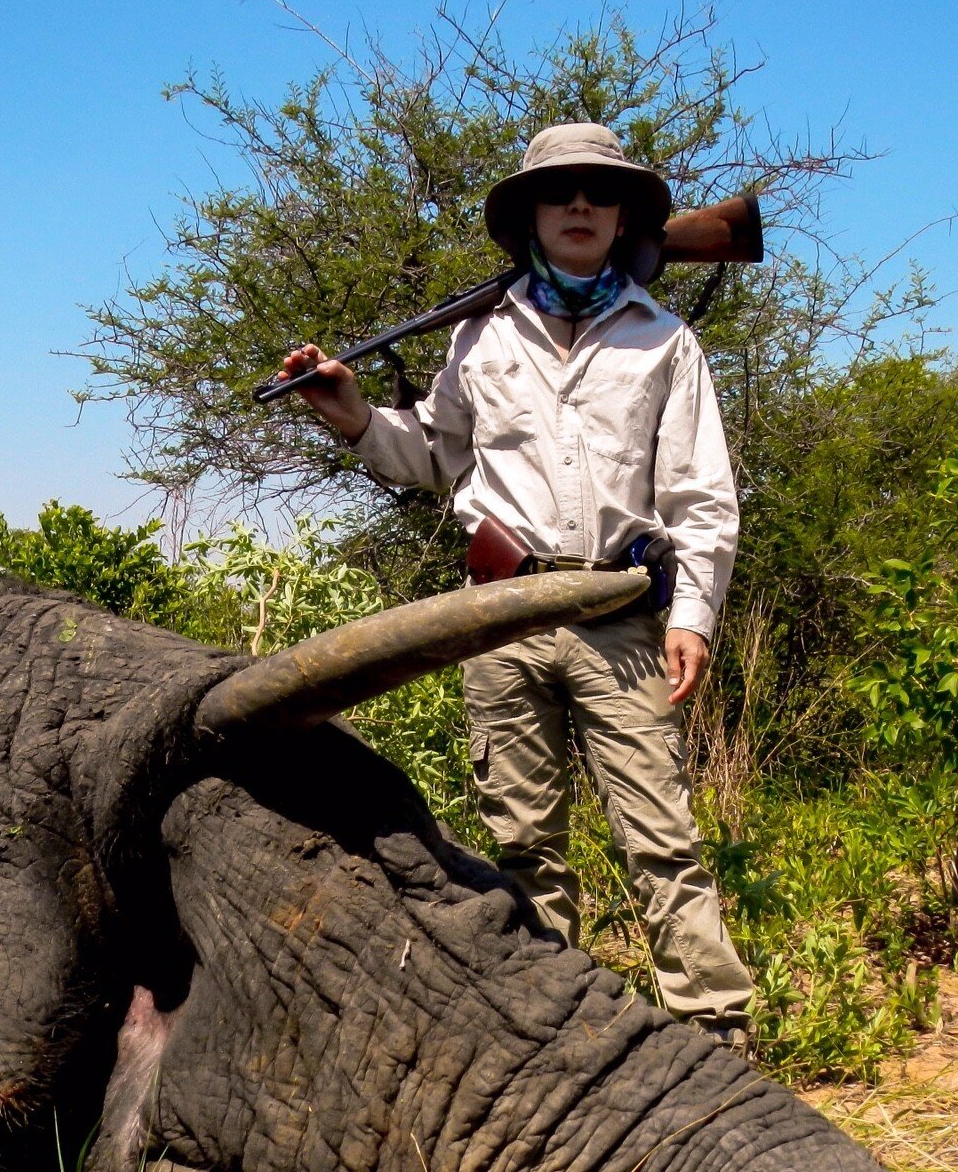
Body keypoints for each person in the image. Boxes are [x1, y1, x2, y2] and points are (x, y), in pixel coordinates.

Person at [273, 121, 756, 1048]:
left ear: (626, 219)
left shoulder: (665, 342)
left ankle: (716, 1033)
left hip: (619, 611)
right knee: (525, 844)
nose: (580, 206)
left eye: (599, 193)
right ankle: (548, 1035)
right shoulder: (480, 334)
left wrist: (694, 611)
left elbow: (701, 495)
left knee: (661, 838)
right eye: (559, 192)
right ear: (530, 214)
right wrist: (353, 415)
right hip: (496, 616)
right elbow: (428, 453)